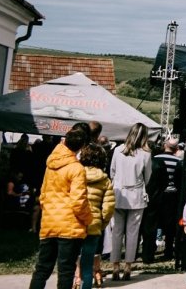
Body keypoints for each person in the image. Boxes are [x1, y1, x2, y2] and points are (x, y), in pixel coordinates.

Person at [29, 126, 92, 289]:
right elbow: (78, 201)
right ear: (82, 146)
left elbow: (42, 194)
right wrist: (87, 219)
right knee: (66, 270)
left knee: (42, 268)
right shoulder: (77, 168)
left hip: (49, 222)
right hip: (70, 226)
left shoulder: (50, 164)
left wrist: (48, 211)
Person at [108, 122, 152, 281]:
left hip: (119, 193)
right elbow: (148, 177)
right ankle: (128, 266)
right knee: (133, 233)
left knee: (117, 232)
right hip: (136, 194)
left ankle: (115, 266)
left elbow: (112, 172)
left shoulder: (118, 150)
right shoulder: (146, 154)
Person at [77, 144, 115, 289]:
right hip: (94, 224)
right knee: (88, 264)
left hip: (75, 223)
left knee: (71, 261)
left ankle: (75, 281)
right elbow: (108, 207)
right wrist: (102, 223)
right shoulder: (105, 180)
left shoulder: (76, 175)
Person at [146, 138, 184, 265]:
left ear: (165, 145)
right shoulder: (179, 161)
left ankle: (150, 251)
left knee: (153, 223)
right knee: (170, 225)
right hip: (172, 195)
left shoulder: (155, 158)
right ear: (176, 148)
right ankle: (168, 250)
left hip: (157, 194)